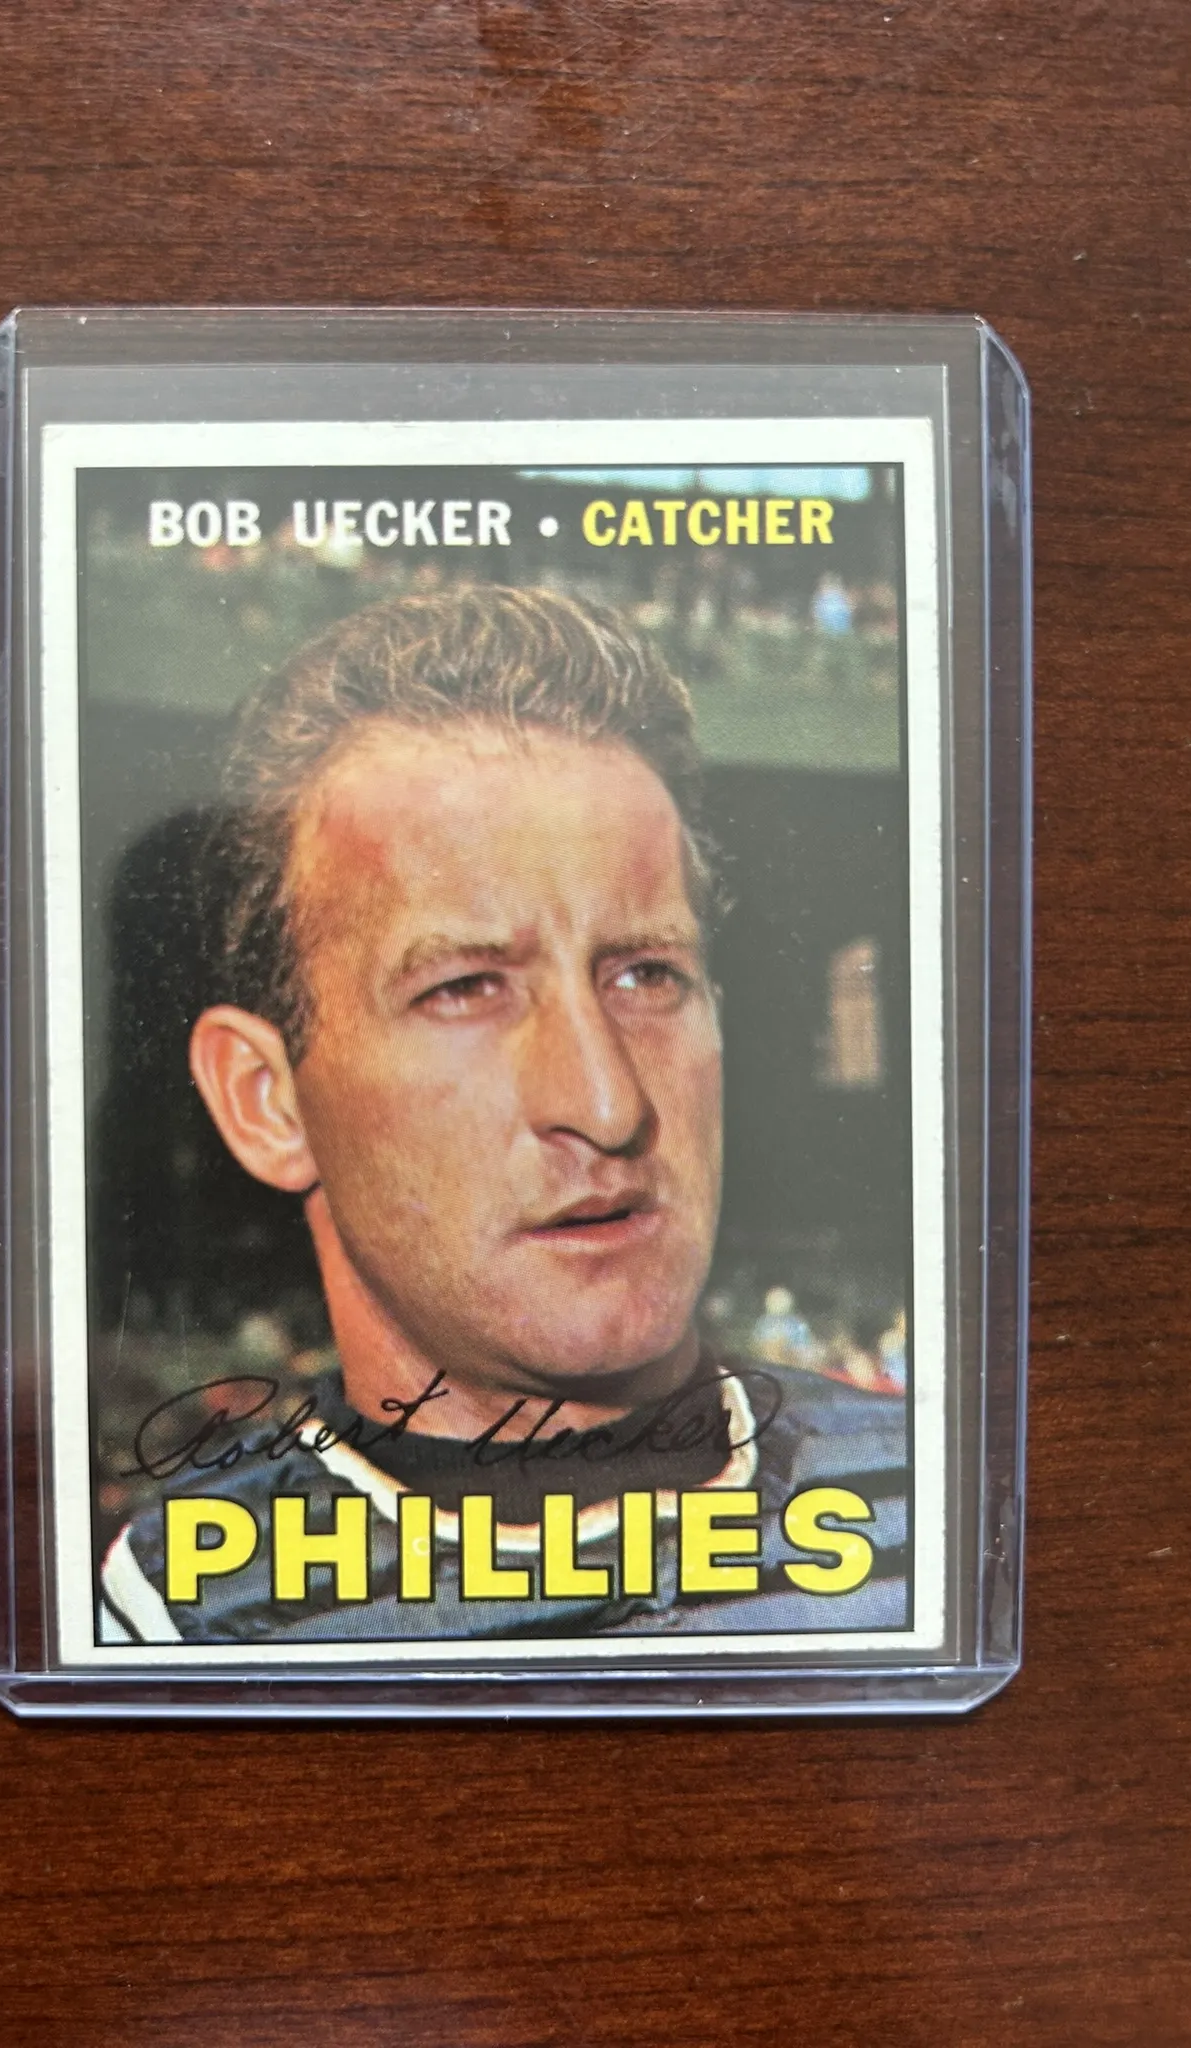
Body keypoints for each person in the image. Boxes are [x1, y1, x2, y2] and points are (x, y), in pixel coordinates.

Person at [100, 585, 906, 1644]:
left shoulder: (934, 1496)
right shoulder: (182, 1607)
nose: (607, 1105)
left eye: (647, 974)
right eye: (465, 988)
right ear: (268, 1101)